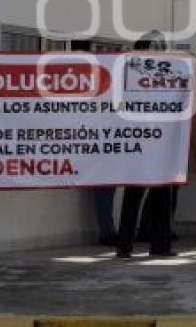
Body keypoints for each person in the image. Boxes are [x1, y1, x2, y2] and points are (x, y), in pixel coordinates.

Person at [116, 31, 183, 259]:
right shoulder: (160, 76)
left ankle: (128, 245)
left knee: (142, 198)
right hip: (152, 146)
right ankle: (156, 246)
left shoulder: (128, 74)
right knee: (155, 198)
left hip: (145, 145)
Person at [71, 38, 119, 247]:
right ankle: (107, 231)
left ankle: (107, 230)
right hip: (91, 141)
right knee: (105, 187)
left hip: (98, 141)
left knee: (106, 187)